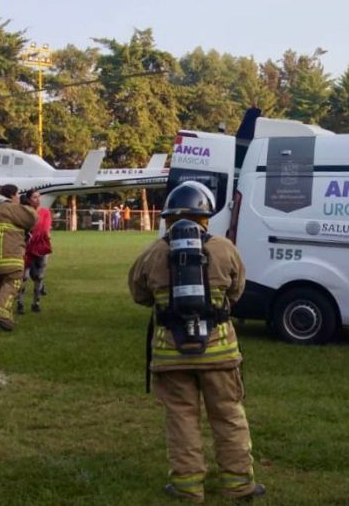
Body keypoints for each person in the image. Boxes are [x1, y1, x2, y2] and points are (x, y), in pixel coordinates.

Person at [128, 182, 265, 501]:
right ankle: (238, 483)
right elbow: (236, 291)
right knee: (228, 416)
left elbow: (138, 294)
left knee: (181, 419)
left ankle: (187, 486)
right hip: (220, 352)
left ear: (169, 218)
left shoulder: (152, 252)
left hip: (170, 353)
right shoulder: (224, 249)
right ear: (205, 216)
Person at [0, 184, 37, 331]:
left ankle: (6, 318)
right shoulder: (11, 208)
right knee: (14, 282)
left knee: (1, 287)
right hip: (10, 254)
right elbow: (31, 219)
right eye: (18, 195)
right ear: (12, 195)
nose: (19, 197)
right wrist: (27, 206)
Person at [17, 190, 52, 314]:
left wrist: (47, 239)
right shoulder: (25, 213)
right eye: (34, 197)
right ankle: (20, 303)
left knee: (39, 276)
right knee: (24, 276)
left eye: (38, 197)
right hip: (27, 246)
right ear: (29, 199)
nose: (38, 199)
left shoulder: (45, 212)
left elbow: (46, 229)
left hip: (41, 246)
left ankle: (36, 303)